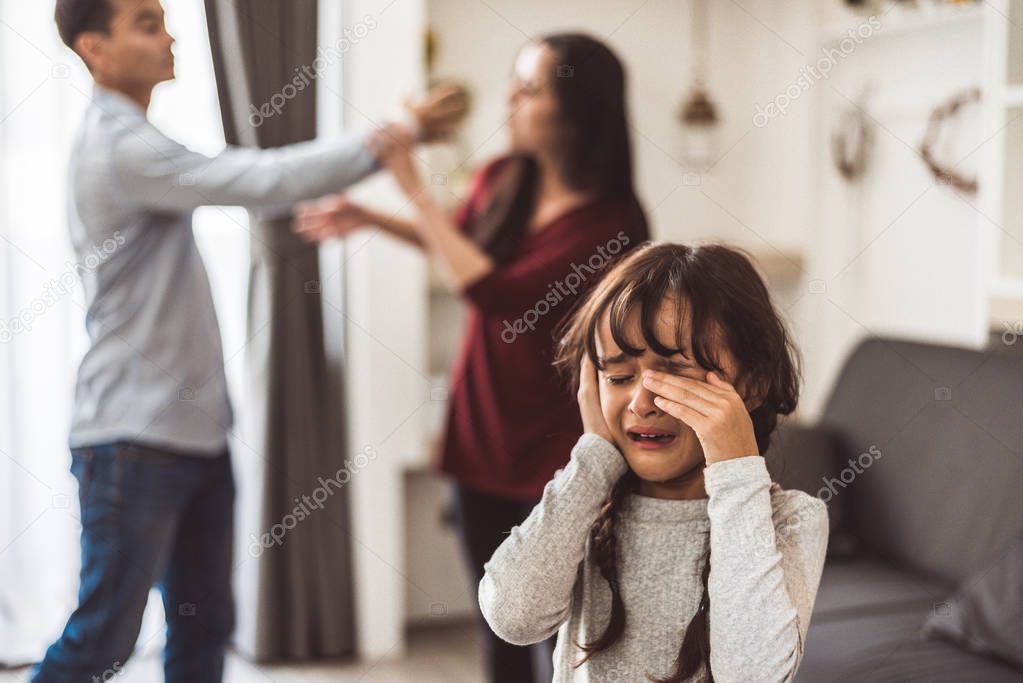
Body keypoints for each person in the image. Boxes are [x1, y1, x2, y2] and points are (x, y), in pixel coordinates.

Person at [34, 1, 463, 681]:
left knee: (204, 630)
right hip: (133, 439)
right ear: (94, 48)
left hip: (190, 435)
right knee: (101, 640)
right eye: (146, 22)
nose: (170, 32)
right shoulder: (121, 146)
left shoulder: (137, 139)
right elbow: (264, 182)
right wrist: (393, 133)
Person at [295, 33, 649, 683]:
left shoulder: (612, 225)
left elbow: (492, 289)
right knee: (498, 621)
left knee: (561, 632)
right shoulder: (501, 177)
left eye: (529, 87)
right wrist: (373, 218)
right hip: (479, 425)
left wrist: (411, 190)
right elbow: (466, 247)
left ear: (576, 111)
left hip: (560, 448)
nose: (509, 98)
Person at [477, 242, 830, 681]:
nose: (641, 403)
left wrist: (736, 470)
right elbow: (513, 617)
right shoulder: (585, 505)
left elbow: (752, 675)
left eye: (675, 373)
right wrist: (594, 458)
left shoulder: (792, 520)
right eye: (619, 377)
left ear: (753, 386)